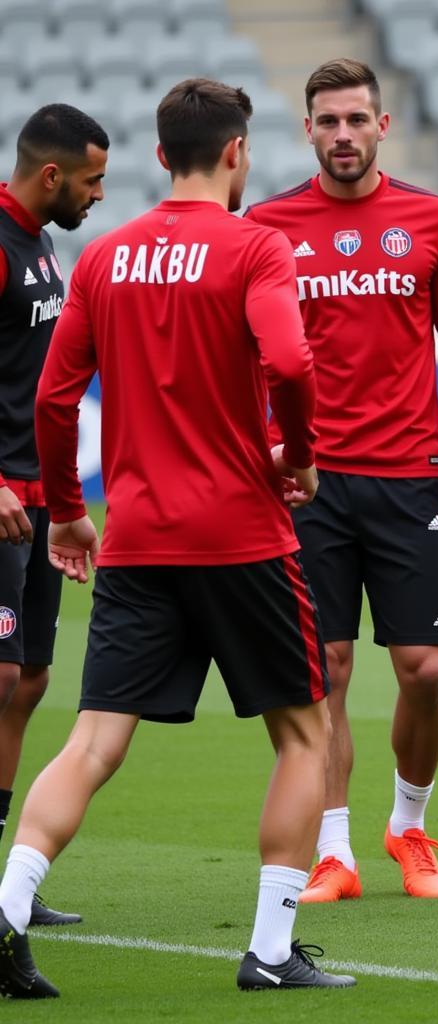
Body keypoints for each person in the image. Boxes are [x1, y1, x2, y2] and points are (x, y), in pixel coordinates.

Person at [0, 78, 355, 998]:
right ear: (236, 153)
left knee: (91, 743)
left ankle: (4, 914)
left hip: (135, 539)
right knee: (304, 736)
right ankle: (272, 951)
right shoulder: (256, 247)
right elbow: (288, 360)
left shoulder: (104, 257)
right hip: (242, 535)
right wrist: (302, 456)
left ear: (161, 157)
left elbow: (50, 397)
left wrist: (67, 509)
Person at [245, 59, 438, 902]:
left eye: (356, 120)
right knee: (329, 666)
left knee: (423, 667)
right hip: (309, 481)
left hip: (411, 475)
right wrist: (269, 448)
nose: (342, 135)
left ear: (383, 126)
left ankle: (409, 825)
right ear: (307, 129)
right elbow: (250, 355)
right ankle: (334, 851)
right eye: (327, 121)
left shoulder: (433, 220)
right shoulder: (268, 225)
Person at [0, 103, 108, 929]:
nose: (97, 195)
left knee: (29, 681)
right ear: (51, 175)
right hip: (2, 499)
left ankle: (10, 888)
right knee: (1, 676)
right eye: (91, 180)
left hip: (38, 504)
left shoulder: (41, 245)